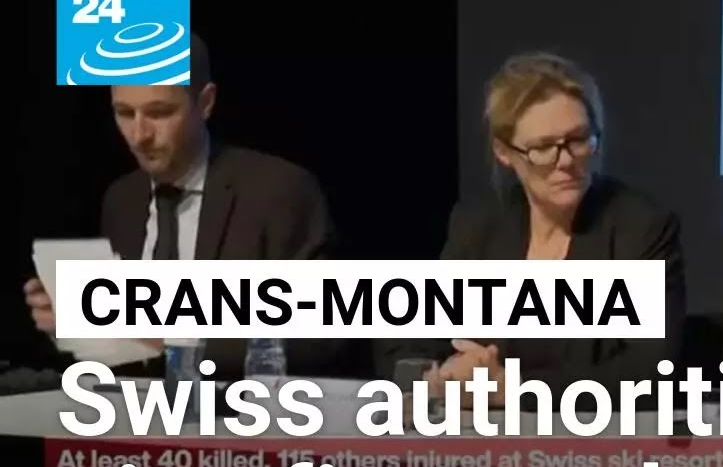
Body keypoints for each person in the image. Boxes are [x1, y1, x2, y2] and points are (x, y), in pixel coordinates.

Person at [22, 32, 346, 379]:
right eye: (124, 113)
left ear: (205, 103)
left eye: (159, 112)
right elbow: (128, 347)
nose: (139, 135)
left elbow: (321, 333)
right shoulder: (122, 200)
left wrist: (172, 334)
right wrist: (75, 324)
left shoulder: (278, 190)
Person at [380, 52, 686, 407]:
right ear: (504, 152)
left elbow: (652, 373)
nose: (566, 160)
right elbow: (407, 340)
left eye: (578, 139)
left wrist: (513, 389)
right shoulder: (479, 225)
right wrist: (435, 377)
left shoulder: (641, 228)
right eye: (543, 148)